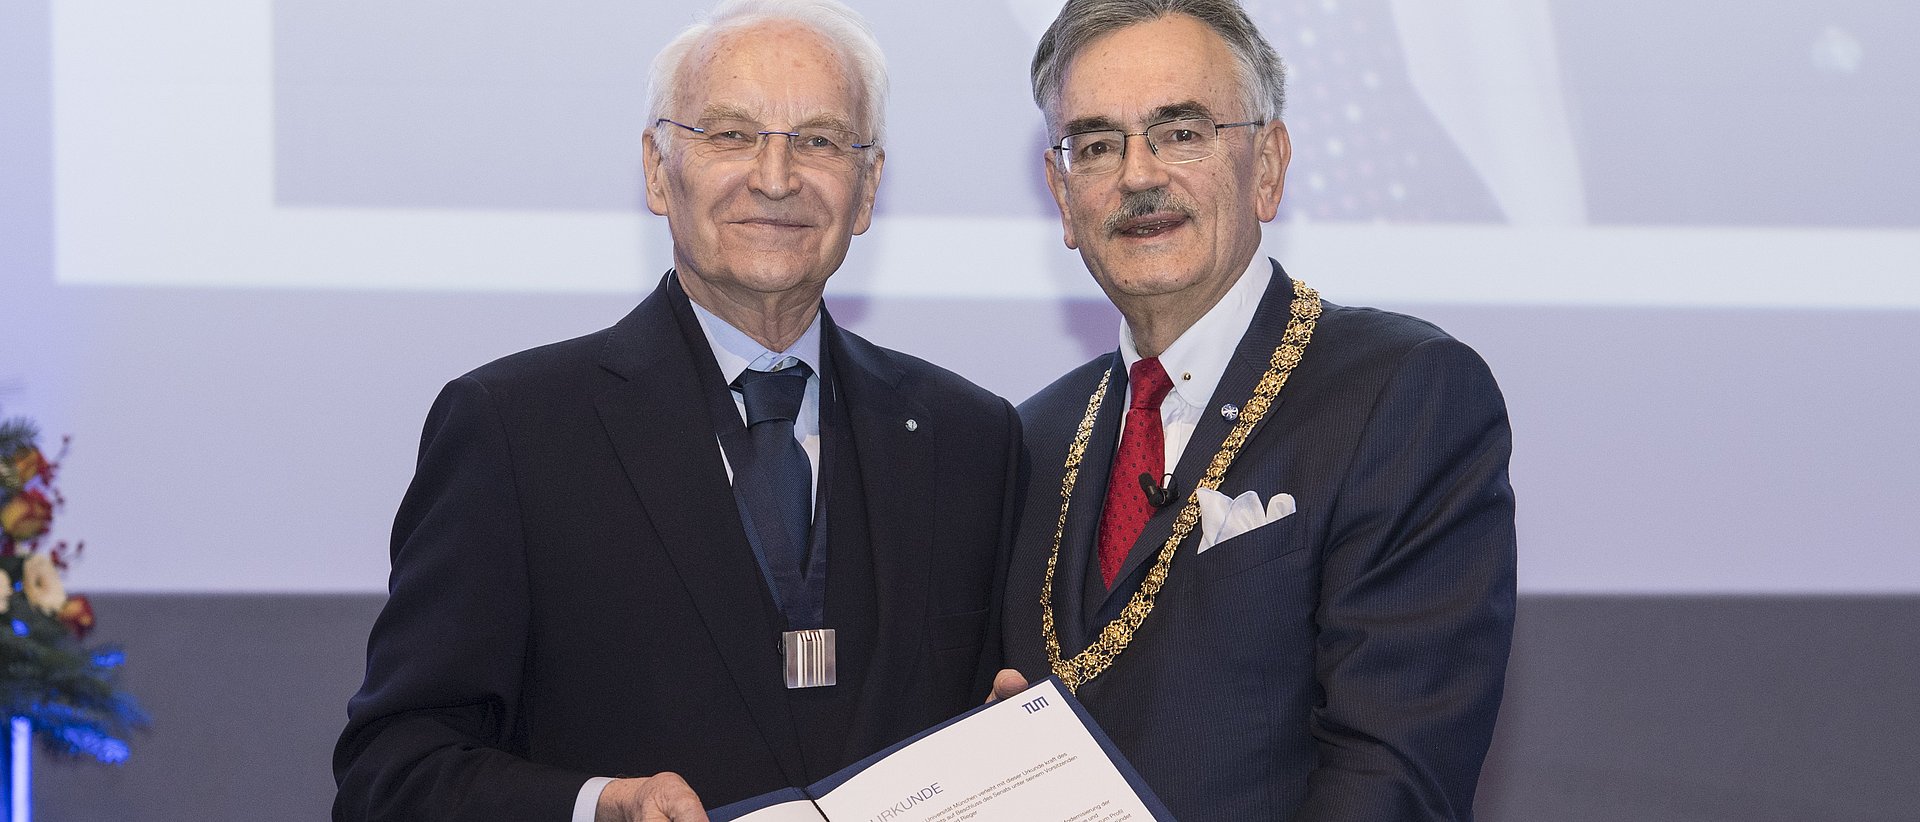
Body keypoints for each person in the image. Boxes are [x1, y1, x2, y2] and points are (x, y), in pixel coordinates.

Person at [333, 2, 1020, 820]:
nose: (776, 176)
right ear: (659, 173)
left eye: (821, 140)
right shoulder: (513, 432)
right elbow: (394, 771)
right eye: (730, 134)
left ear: (867, 189)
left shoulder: (970, 439)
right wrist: (597, 806)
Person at [996, 1, 1517, 819]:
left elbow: (1393, 778)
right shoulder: (1028, 440)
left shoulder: (1402, 393)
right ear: (1064, 198)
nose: (1138, 175)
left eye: (1183, 132)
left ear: (1267, 166)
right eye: (1097, 145)